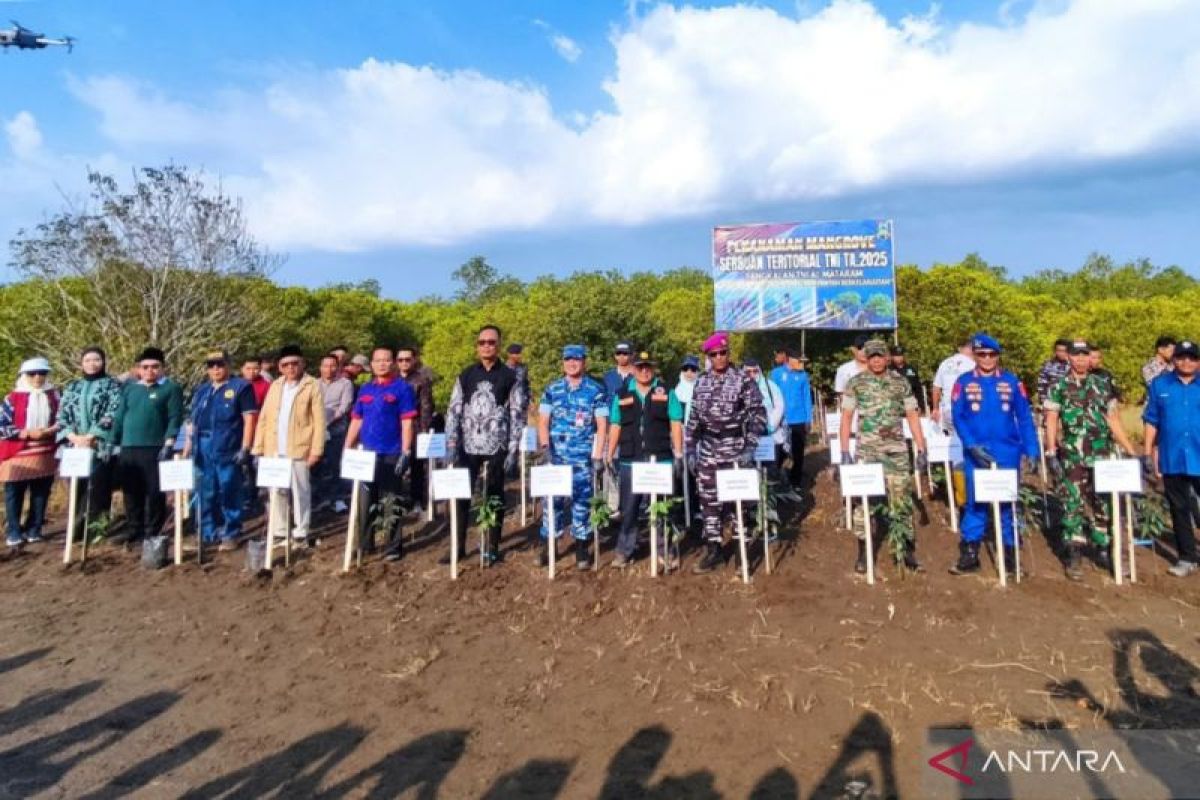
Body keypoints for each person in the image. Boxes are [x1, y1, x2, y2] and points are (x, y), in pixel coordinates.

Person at [1044, 340, 1139, 579]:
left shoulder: (1102, 385)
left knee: (1104, 503)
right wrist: (1051, 449)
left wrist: (1129, 449)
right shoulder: (1059, 386)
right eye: (1075, 356)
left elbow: (1113, 420)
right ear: (1069, 358)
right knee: (1072, 503)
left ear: (1091, 358)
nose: (1080, 360)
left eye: (1085, 356)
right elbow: (1052, 419)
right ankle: (1073, 554)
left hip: (1102, 455)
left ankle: (1105, 548)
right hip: (1072, 455)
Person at [948, 334, 1040, 576]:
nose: (987, 359)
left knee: (1007, 503)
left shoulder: (1012, 382)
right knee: (975, 502)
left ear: (997, 356)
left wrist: (1031, 449)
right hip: (977, 453)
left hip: (1007, 452)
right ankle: (970, 555)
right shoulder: (964, 382)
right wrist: (970, 444)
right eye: (981, 355)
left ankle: (1009, 557)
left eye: (991, 354)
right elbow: (959, 417)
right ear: (975, 356)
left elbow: (1025, 419)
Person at [840, 340, 928, 573]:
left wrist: (921, 448)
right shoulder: (856, 383)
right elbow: (847, 417)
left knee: (901, 500)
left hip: (896, 451)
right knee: (864, 504)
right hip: (867, 452)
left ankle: (906, 551)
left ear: (887, 358)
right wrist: (844, 451)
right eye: (872, 356)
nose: (877, 360)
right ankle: (864, 552)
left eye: (880, 356)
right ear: (866, 359)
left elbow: (912, 414)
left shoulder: (900, 382)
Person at [685, 332, 767, 573]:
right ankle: (714, 550)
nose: (719, 358)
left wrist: (750, 445)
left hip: (735, 450)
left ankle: (742, 553)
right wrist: (690, 449)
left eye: (723, 353)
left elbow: (758, 415)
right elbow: (694, 420)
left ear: (728, 353)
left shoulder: (743, 380)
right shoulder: (701, 382)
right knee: (709, 503)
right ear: (708, 357)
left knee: (739, 503)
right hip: (709, 451)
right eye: (714, 355)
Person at [445, 325, 526, 565]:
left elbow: (517, 414)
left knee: (493, 496)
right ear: (477, 346)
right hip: (467, 446)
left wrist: (513, 448)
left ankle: (491, 546)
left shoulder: (511, 377)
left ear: (499, 345)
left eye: (491, 342)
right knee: (460, 497)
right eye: (482, 342)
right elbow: (454, 410)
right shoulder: (466, 374)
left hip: (496, 446)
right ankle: (457, 547)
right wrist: (451, 442)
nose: (486, 346)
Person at [606, 350, 683, 568]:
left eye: (648, 366)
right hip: (631, 461)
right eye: (640, 366)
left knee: (663, 508)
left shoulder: (667, 392)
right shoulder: (622, 394)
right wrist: (609, 454)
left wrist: (678, 453)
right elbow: (615, 425)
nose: (644, 370)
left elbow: (676, 422)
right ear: (633, 369)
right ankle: (624, 550)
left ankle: (666, 550)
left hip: (660, 460)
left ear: (654, 368)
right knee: (629, 509)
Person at [537, 344, 609, 569]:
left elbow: (602, 425)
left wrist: (598, 456)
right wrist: (544, 446)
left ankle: (581, 548)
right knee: (552, 502)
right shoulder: (552, 389)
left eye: (576, 359)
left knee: (581, 504)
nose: (572, 363)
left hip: (582, 459)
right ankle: (549, 546)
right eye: (568, 359)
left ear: (584, 362)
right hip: (556, 458)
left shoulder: (596, 390)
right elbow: (543, 420)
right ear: (563, 363)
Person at [345, 346, 416, 560]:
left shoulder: (402, 388)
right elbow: (357, 419)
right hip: (366, 454)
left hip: (391, 452)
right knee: (365, 500)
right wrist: (347, 447)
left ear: (392, 362)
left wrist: (406, 451)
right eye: (378, 360)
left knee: (391, 501)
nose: (382, 364)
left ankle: (393, 546)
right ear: (372, 364)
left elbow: (407, 422)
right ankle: (366, 544)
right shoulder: (365, 389)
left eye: (386, 360)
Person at [252, 346, 327, 548]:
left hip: (299, 448)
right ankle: (279, 531)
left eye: (295, 363)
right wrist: (258, 448)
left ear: (302, 364)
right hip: (274, 449)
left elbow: (319, 421)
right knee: (277, 491)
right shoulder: (275, 386)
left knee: (300, 492)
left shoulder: (311, 385)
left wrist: (316, 450)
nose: (291, 368)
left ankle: (301, 531)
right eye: (286, 365)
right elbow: (264, 417)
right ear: (280, 367)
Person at [112, 347, 184, 544]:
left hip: (155, 447)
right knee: (131, 491)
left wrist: (169, 442)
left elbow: (174, 417)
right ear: (138, 369)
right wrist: (112, 441)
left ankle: (154, 530)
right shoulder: (131, 389)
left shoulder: (170, 388)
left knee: (154, 491)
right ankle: (134, 528)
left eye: (154, 367)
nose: (150, 371)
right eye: (145, 367)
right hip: (129, 446)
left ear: (162, 368)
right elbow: (119, 416)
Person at [187, 350, 257, 551]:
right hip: (202, 445)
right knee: (204, 490)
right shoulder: (201, 391)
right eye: (211, 365)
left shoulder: (241, 387)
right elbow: (193, 421)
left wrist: (246, 447)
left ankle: (231, 532)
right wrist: (188, 448)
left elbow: (249, 419)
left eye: (220, 364)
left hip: (227, 445)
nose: (215, 369)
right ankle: (206, 533)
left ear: (228, 365)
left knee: (229, 490)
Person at [1142, 339, 1200, 577]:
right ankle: (1187, 557)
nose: (1186, 362)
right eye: (1181, 357)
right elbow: (1152, 420)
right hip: (1172, 455)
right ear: (1174, 359)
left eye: (1192, 358)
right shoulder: (1159, 384)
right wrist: (1147, 452)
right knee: (1179, 508)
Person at [55, 347, 123, 542]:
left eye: (96, 360)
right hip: (75, 447)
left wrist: (93, 435)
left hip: (100, 447)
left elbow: (113, 412)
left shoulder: (112, 385)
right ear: (81, 363)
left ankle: (95, 530)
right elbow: (62, 415)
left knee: (99, 488)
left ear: (103, 362)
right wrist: (73, 436)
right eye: (87, 360)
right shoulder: (73, 386)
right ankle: (75, 531)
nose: (92, 364)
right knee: (77, 488)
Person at [1, 358, 60, 547]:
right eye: (32, 374)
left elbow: (63, 418)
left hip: (45, 450)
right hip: (17, 452)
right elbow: (2, 426)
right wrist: (25, 433)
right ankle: (14, 531)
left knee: (41, 493)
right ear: (24, 376)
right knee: (13, 493)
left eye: (42, 373)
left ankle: (34, 528)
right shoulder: (12, 398)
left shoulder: (54, 396)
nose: (37, 377)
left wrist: (50, 430)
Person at [397, 345, 434, 515]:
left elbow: (426, 406)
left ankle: (417, 500)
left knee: (417, 466)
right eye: (400, 360)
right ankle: (395, 500)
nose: (404, 363)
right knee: (394, 464)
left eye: (407, 359)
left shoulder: (421, 380)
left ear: (414, 360)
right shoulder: (392, 379)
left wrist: (425, 429)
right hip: (394, 427)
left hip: (416, 426)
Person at [316, 353, 354, 512]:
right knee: (317, 465)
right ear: (320, 367)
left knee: (335, 463)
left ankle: (337, 498)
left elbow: (344, 406)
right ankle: (319, 498)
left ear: (338, 367)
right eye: (325, 365)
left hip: (336, 428)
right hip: (316, 429)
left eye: (333, 365)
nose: (329, 369)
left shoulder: (345, 384)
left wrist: (329, 420)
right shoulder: (313, 384)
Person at [774, 350, 813, 492]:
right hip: (781, 419)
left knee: (798, 452)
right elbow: (771, 395)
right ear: (789, 359)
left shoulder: (803, 376)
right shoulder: (776, 374)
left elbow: (807, 398)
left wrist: (809, 419)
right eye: (799, 360)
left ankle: (795, 481)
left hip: (799, 419)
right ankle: (776, 479)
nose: (802, 363)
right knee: (780, 451)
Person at [931, 337, 975, 430]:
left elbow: (936, 388)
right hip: (965, 409)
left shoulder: (945, 363)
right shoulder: (972, 365)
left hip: (947, 410)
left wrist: (935, 409)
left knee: (954, 438)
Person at [890, 345, 926, 413]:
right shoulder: (888, 370)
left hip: (910, 404)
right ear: (892, 357)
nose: (898, 358)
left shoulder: (911, 369)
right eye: (896, 356)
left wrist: (921, 405)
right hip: (893, 406)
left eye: (900, 355)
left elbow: (918, 389)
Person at [834, 335, 869, 400]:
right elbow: (840, 393)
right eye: (860, 348)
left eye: (867, 349)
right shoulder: (843, 369)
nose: (863, 352)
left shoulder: (877, 368)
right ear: (853, 349)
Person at [1036, 339, 1071, 403]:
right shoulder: (1048, 364)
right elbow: (1042, 383)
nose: (1061, 353)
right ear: (1055, 351)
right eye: (1059, 350)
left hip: (1069, 401)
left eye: (1064, 351)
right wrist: (1043, 400)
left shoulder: (1073, 365)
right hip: (1051, 401)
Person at [506, 343, 530, 417]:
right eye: (516, 353)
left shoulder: (523, 368)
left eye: (519, 353)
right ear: (509, 355)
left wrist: (528, 400)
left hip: (521, 406)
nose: (519, 356)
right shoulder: (503, 369)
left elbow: (526, 385)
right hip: (507, 407)